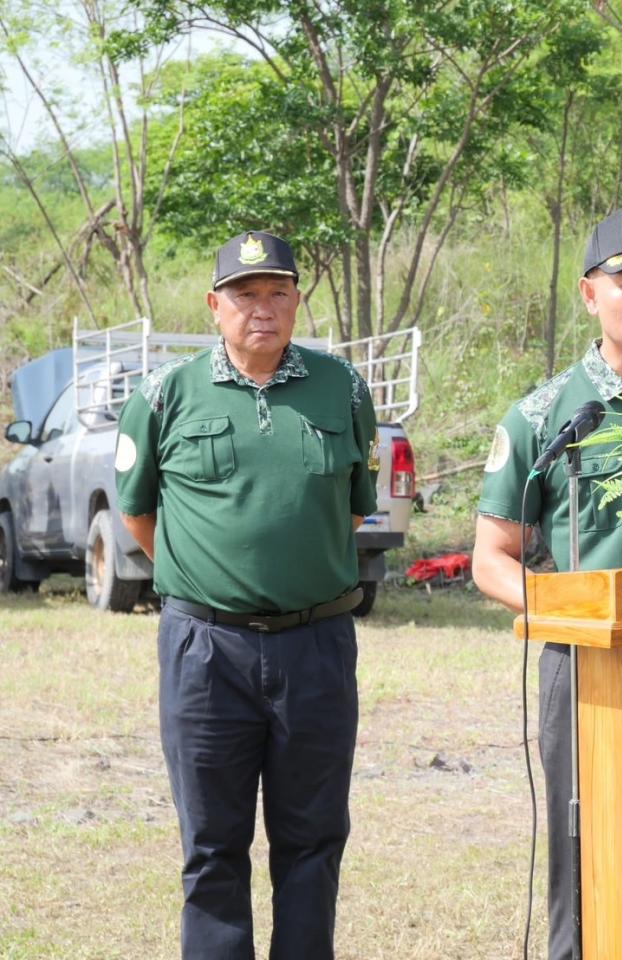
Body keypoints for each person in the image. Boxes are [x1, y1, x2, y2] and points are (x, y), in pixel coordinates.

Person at [115, 232, 379, 960]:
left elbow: (351, 508)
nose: (262, 308)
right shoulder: (166, 394)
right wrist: (210, 578)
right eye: (244, 294)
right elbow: (140, 514)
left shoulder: (343, 388)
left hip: (317, 646)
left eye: (278, 292)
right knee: (211, 844)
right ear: (214, 305)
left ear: (297, 300)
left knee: (314, 840)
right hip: (206, 652)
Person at [471, 203, 622, 960]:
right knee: (587, 842)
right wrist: (570, 610)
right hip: (588, 666)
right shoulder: (545, 415)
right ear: (589, 294)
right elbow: (492, 557)